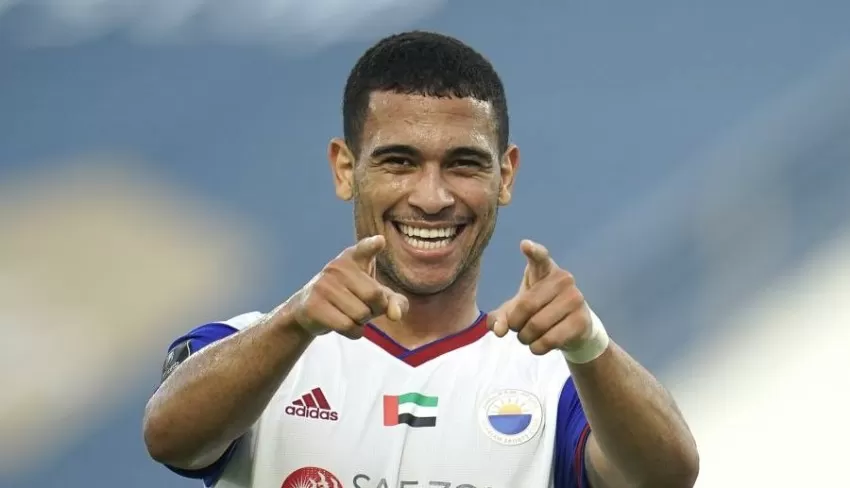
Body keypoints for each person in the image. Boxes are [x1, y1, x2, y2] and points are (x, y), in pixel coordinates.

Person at [143, 30, 699, 488]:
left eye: (463, 164)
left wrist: (591, 345)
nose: (432, 198)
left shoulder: (556, 382)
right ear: (345, 169)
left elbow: (668, 477)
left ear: (505, 175)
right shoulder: (262, 347)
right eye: (400, 162)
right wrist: (295, 321)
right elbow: (169, 437)